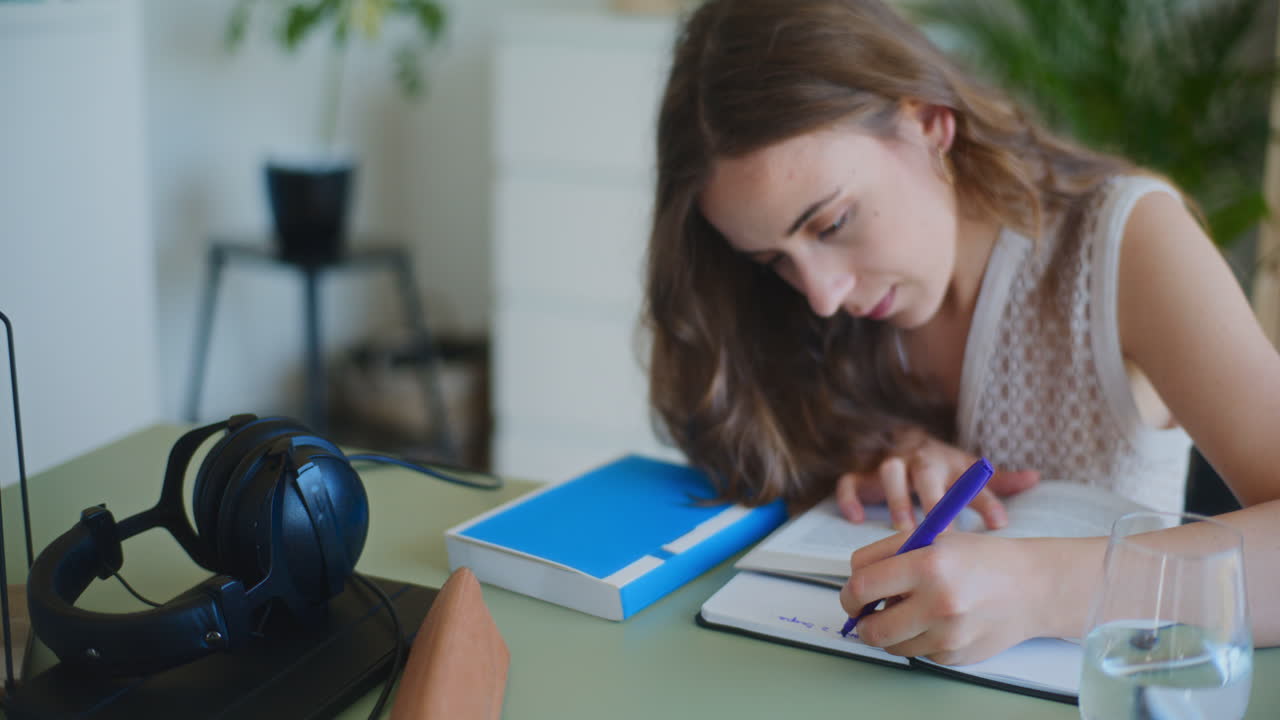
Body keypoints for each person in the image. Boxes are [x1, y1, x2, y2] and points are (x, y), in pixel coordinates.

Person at [643, 0, 1280, 665]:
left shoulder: (1127, 243)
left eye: (832, 224)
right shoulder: (792, 308)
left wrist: (1040, 588)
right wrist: (870, 452)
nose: (822, 297)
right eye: (772, 260)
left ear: (928, 123)